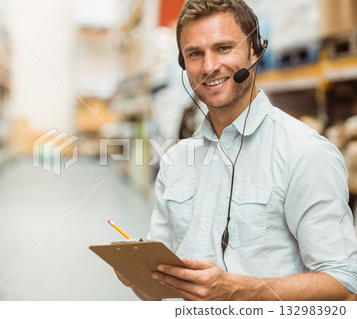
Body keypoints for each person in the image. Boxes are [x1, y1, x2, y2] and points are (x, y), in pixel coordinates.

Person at [115, 0, 357, 301]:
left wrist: (243, 291)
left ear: (254, 51)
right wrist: (138, 275)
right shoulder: (177, 160)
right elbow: (157, 290)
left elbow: (345, 285)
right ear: (183, 64)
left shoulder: (305, 153)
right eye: (194, 54)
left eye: (223, 48)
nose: (208, 66)